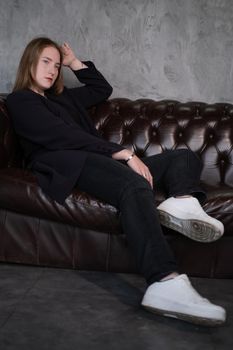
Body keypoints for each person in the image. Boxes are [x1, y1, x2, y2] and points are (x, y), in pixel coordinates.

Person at [6, 37, 226, 326]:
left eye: (56, 65)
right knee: (135, 185)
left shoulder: (63, 98)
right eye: (46, 62)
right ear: (30, 61)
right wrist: (121, 152)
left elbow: (101, 89)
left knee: (183, 157)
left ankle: (183, 202)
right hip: (70, 164)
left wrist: (74, 63)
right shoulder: (20, 100)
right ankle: (164, 281)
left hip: (99, 161)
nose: (52, 70)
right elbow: (61, 135)